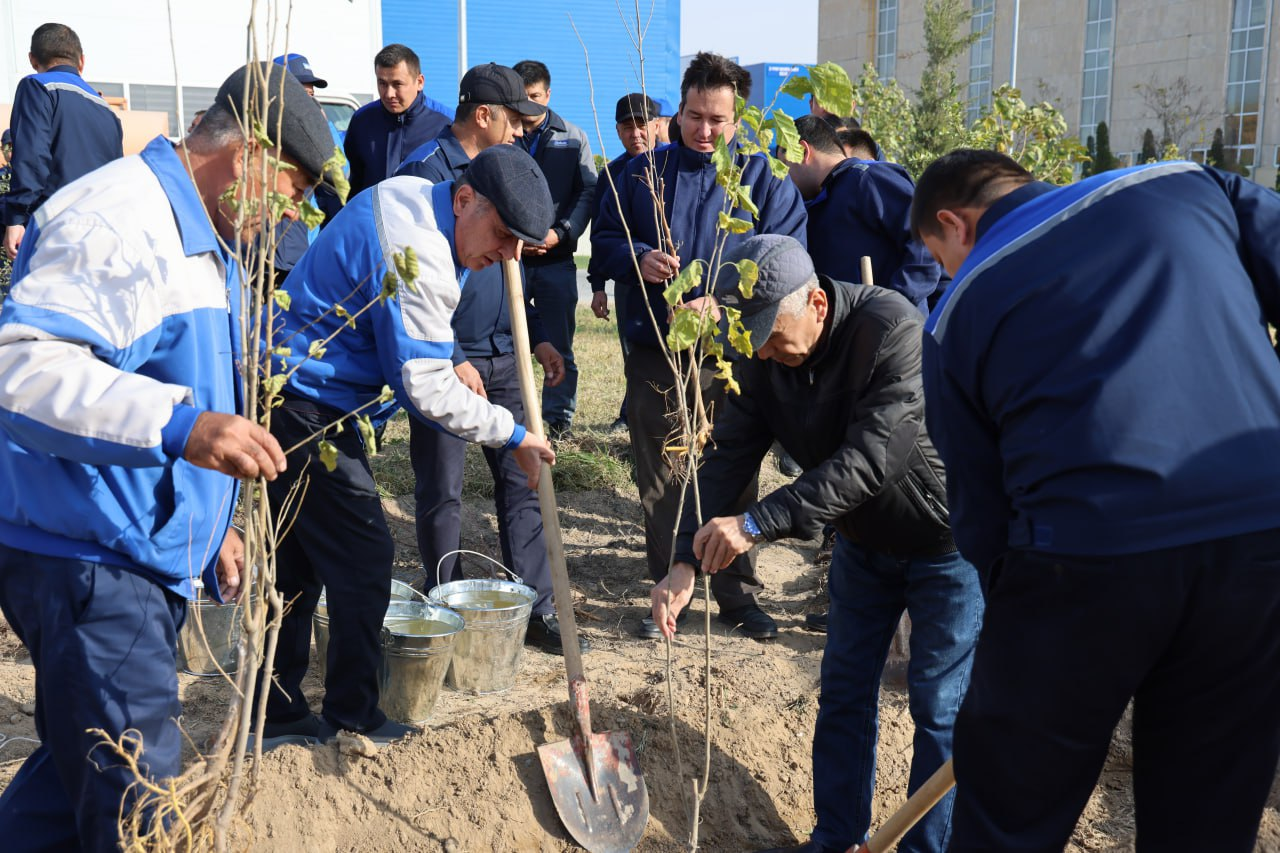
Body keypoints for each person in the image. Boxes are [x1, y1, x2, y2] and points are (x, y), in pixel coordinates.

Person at [0, 63, 330, 851]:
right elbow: (23, 366)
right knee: (140, 800)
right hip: (87, 558)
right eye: (283, 194)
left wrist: (209, 526)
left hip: (128, 552)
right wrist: (183, 428)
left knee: (74, 774)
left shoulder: (203, 239)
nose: (283, 217)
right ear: (247, 153)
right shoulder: (120, 219)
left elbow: (163, 373)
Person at [913, 149, 1280, 852]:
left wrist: (1023, 640)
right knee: (1208, 810)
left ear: (955, 223)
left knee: (1010, 814)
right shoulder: (1185, 184)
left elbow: (981, 512)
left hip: (1084, 555)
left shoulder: (961, 308)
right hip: (1259, 532)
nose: (944, 274)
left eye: (939, 257)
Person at [650, 235, 982, 853]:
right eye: (755, 340)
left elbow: (869, 461)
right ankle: (835, 839)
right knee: (845, 693)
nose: (768, 351)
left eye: (776, 334)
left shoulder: (891, 329)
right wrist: (683, 562)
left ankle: (925, 848)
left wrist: (752, 526)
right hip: (861, 544)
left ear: (818, 304)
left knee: (939, 705)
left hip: (944, 542)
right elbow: (726, 459)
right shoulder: (760, 355)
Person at [256, 144, 558, 747]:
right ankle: (351, 714)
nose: (504, 256)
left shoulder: (408, 197)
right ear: (465, 198)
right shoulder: (418, 249)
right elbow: (422, 385)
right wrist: (516, 434)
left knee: (294, 561)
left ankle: (281, 710)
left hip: (288, 390)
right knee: (364, 557)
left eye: (517, 246)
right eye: (500, 235)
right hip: (306, 406)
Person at [592, 51, 807, 640]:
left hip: (734, 349)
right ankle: (669, 587)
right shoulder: (640, 174)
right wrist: (638, 257)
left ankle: (737, 593)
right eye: (694, 117)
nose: (705, 131)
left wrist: (726, 301)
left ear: (738, 118)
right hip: (655, 345)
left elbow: (787, 260)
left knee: (731, 462)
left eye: (718, 120)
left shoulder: (762, 177)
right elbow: (605, 238)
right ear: (677, 110)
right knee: (660, 470)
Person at [395, 63, 584, 656]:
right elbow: (408, 280)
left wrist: (539, 338)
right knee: (442, 490)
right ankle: (443, 604)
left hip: (509, 352)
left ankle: (536, 605)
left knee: (523, 481)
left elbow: (516, 264)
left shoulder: (511, 172)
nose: (521, 132)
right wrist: (451, 355)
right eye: (513, 120)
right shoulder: (428, 174)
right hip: (451, 362)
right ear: (484, 115)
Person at [513, 59, 598, 438]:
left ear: (548, 95)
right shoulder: (503, 134)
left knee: (558, 344)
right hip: (509, 257)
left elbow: (588, 192)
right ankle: (513, 418)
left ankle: (557, 421)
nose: (528, 106)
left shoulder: (573, 137)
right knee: (508, 340)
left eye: (535, 97)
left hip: (556, 259)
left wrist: (561, 233)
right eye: (522, 97)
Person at [784, 115, 942, 312]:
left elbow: (926, 244)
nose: (785, 179)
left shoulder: (870, 178)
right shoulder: (817, 202)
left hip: (895, 331)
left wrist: (891, 305)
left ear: (802, 151)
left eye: (784, 166)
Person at [2, 22, 123, 261]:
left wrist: (16, 217)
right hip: (101, 232)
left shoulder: (37, 86)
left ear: (33, 59)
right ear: (82, 62)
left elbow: (32, 157)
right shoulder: (108, 112)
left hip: (53, 227)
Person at [587, 92, 664, 433]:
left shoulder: (671, 165)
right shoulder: (612, 173)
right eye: (627, 127)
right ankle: (631, 414)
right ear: (617, 131)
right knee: (633, 352)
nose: (636, 134)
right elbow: (602, 235)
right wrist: (597, 285)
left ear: (657, 125)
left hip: (675, 279)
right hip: (630, 280)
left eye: (642, 125)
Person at [343, 43, 453, 198]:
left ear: (420, 82)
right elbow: (353, 184)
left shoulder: (445, 124)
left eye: (397, 84)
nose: (389, 94)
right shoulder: (362, 120)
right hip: (371, 220)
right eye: (382, 83)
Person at [0, 130, 11, 300]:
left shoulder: (34, 176)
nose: (8, 151)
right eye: (4, 147)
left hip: (25, 242)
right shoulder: (1, 176)